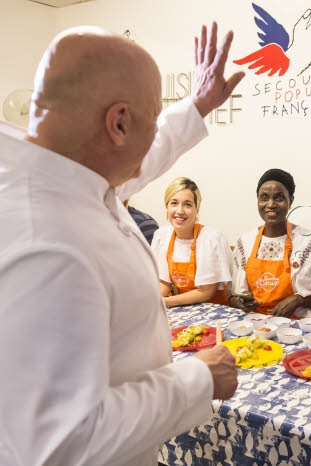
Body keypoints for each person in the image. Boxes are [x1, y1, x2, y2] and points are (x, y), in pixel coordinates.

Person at [0, 23, 245, 465]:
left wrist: (197, 106)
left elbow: (139, 158)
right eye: (152, 119)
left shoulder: (62, 170)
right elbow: (59, 444)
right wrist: (197, 380)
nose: (156, 133)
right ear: (118, 123)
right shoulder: (48, 245)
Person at [229, 169, 311, 317]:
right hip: (255, 323)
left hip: (297, 326)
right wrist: (238, 301)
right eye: (264, 197)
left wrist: (299, 300)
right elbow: (232, 295)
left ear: (291, 200)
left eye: (279, 197)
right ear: (257, 200)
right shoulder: (245, 241)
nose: (271, 204)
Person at [151, 177, 232, 307]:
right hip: (182, 308)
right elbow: (164, 284)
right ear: (166, 206)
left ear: (197, 209)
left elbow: (206, 292)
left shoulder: (210, 238)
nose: (180, 211)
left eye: (187, 204)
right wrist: (146, 299)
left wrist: (164, 302)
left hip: (214, 310)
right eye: (174, 203)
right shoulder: (162, 236)